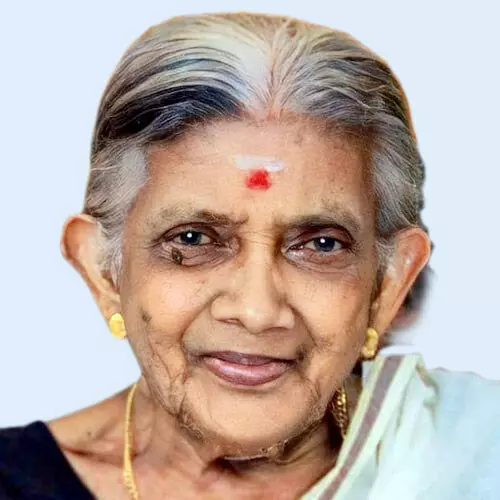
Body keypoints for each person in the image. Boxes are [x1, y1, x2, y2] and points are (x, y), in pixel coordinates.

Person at [1, 11, 499, 500]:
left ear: (389, 283)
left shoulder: (473, 461)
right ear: (103, 269)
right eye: (193, 239)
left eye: (321, 245)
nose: (257, 311)